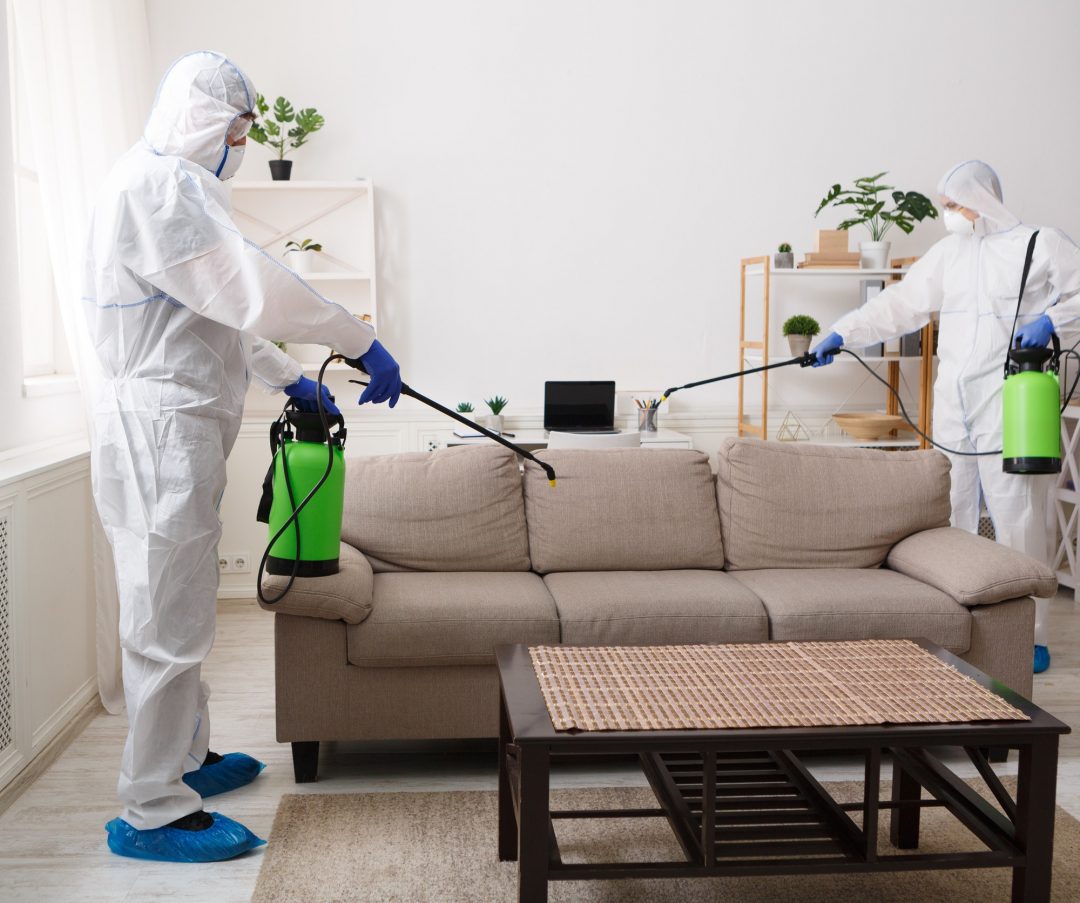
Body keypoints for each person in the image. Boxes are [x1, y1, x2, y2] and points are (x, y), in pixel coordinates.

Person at [82, 51, 402, 862]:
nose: (241, 145)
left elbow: (219, 318)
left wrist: (294, 379)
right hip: (159, 431)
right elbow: (254, 288)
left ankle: (187, 757)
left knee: (181, 606)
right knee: (165, 619)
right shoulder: (159, 187)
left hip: (172, 425)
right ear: (201, 120)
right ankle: (152, 807)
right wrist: (358, 339)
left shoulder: (168, 186)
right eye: (235, 130)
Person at [813, 160, 1080, 677]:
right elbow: (899, 305)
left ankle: (1030, 636)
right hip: (954, 407)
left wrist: (1052, 320)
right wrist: (844, 334)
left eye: (954, 203)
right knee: (950, 515)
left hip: (1011, 402)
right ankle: (958, 623)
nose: (948, 213)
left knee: (1020, 517)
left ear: (981, 199)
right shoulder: (948, 254)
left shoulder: (1037, 243)